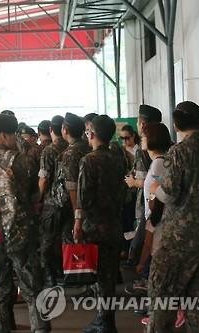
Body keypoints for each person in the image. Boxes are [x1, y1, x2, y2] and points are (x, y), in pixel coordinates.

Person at [148, 101, 199, 332]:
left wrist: (152, 191)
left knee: (162, 297)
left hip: (177, 241)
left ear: (176, 126)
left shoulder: (177, 152)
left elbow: (169, 193)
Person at [0, 114, 49, 333]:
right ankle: (40, 329)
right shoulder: (22, 160)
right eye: (13, 134)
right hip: (21, 231)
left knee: (0, 286)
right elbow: (34, 195)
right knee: (32, 285)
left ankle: (2, 327)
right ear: (4, 135)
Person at [74, 115, 125, 333]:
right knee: (110, 275)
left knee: (98, 276)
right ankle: (107, 320)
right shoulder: (118, 158)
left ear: (92, 134)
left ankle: (103, 322)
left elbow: (83, 198)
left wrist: (77, 224)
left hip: (95, 226)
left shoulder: (89, 160)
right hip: (114, 224)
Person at [125, 105, 161, 266]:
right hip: (163, 203)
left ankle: (142, 270)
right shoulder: (169, 142)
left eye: (139, 122)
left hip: (147, 203)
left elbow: (143, 180)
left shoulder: (143, 149)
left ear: (143, 124)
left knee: (146, 238)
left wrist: (132, 182)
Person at [38, 115, 69, 287]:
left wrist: (38, 199)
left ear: (51, 130)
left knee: (47, 241)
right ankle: (67, 273)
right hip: (69, 202)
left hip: (51, 203)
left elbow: (43, 179)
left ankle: (49, 277)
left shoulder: (48, 150)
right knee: (66, 239)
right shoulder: (74, 147)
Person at [60, 112, 91, 243]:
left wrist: (76, 217)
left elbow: (73, 187)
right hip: (90, 206)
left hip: (75, 209)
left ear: (65, 130)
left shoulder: (70, 153)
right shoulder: (88, 147)